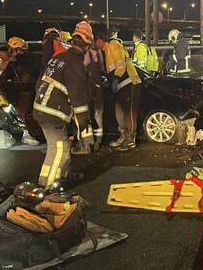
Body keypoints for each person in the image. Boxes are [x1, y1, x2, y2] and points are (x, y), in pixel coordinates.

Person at [33, 21, 94, 187]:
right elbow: (78, 98)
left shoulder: (59, 57)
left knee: (62, 144)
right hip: (52, 114)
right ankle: (49, 184)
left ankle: (63, 174)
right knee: (60, 148)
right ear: (87, 46)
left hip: (42, 110)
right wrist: (85, 127)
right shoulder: (75, 64)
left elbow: (39, 82)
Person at [96, 32, 141, 151]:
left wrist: (116, 77)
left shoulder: (113, 45)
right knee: (120, 111)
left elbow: (120, 64)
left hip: (128, 82)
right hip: (121, 85)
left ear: (99, 41)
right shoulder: (107, 50)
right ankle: (124, 135)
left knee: (128, 111)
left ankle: (131, 139)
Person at [71, 38, 105, 154]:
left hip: (88, 87)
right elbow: (102, 67)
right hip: (99, 86)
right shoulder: (99, 51)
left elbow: (82, 69)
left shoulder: (85, 54)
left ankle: (86, 143)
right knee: (98, 114)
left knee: (86, 115)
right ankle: (99, 140)